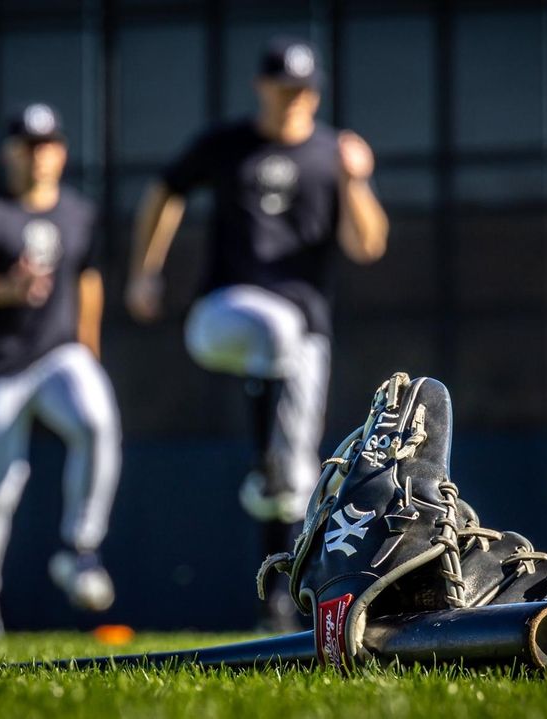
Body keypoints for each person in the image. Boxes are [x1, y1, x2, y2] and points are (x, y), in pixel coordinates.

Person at [125, 37, 388, 629]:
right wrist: (145, 272)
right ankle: (261, 458)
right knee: (276, 326)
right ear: (261, 87)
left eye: (303, 89)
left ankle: (278, 599)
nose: (293, 99)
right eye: (283, 88)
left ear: (315, 92)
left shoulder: (331, 154)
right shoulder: (227, 145)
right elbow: (164, 192)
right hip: (225, 317)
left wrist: (358, 180)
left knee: (298, 473)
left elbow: (368, 246)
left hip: (305, 338)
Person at [0, 103, 122, 636]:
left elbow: (87, 279)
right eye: (27, 145)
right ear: (9, 152)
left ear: (61, 152)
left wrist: (87, 344)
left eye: (47, 145)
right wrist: (5, 289)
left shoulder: (77, 212)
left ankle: (79, 547)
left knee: (96, 419)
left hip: (57, 354)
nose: (38, 156)